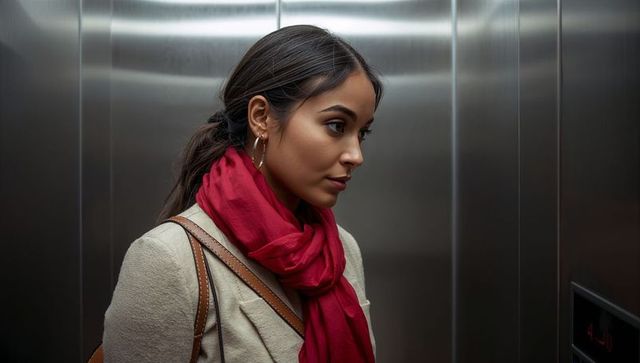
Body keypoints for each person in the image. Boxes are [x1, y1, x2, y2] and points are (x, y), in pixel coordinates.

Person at [103, 24, 383, 363]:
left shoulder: (341, 250)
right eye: (336, 125)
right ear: (261, 117)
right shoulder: (168, 259)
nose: (356, 155)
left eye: (361, 133)